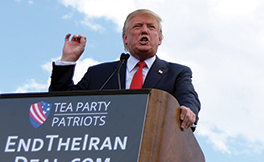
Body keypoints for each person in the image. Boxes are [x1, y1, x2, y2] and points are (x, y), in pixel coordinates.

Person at [49, 9, 200, 131]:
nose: (144, 31)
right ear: (125, 38)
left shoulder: (177, 73)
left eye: (151, 27)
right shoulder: (99, 73)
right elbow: (62, 106)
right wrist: (67, 60)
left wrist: (188, 110)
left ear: (159, 39)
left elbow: (188, 97)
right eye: (137, 26)